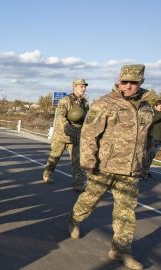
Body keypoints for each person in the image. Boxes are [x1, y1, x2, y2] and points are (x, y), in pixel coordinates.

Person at [68, 64, 152, 270]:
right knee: (89, 200)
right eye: (125, 82)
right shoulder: (105, 103)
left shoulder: (146, 106)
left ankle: (120, 250)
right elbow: (89, 134)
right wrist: (88, 161)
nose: (129, 86)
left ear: (141, 82)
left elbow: (148, 139)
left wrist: (145, 163)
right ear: (118, 81)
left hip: (130, 171)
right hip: (103, 167)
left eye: (133, 82)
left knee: (126, 213)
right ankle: (75, 220)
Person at [42, 79, 89, 192]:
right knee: (55, 157)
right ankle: (47, 174)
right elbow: (60, 116)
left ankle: (78, 184)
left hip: (76, 136)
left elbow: (87, 118)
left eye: (85, 86)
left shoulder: (85, 103)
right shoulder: (65, 100)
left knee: (77, 161)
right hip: (62, 135)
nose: (84, 88)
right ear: (74, 87)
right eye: (81, 86)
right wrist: (67, 127)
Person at [146, 99, 161, 179]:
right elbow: (153, 120)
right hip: (152, 138)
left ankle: (146, 171)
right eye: (160, 107)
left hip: (159, 139)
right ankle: (143, 171)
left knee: (151, 156)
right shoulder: (153, 113)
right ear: (155, 106)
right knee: (147, 155)